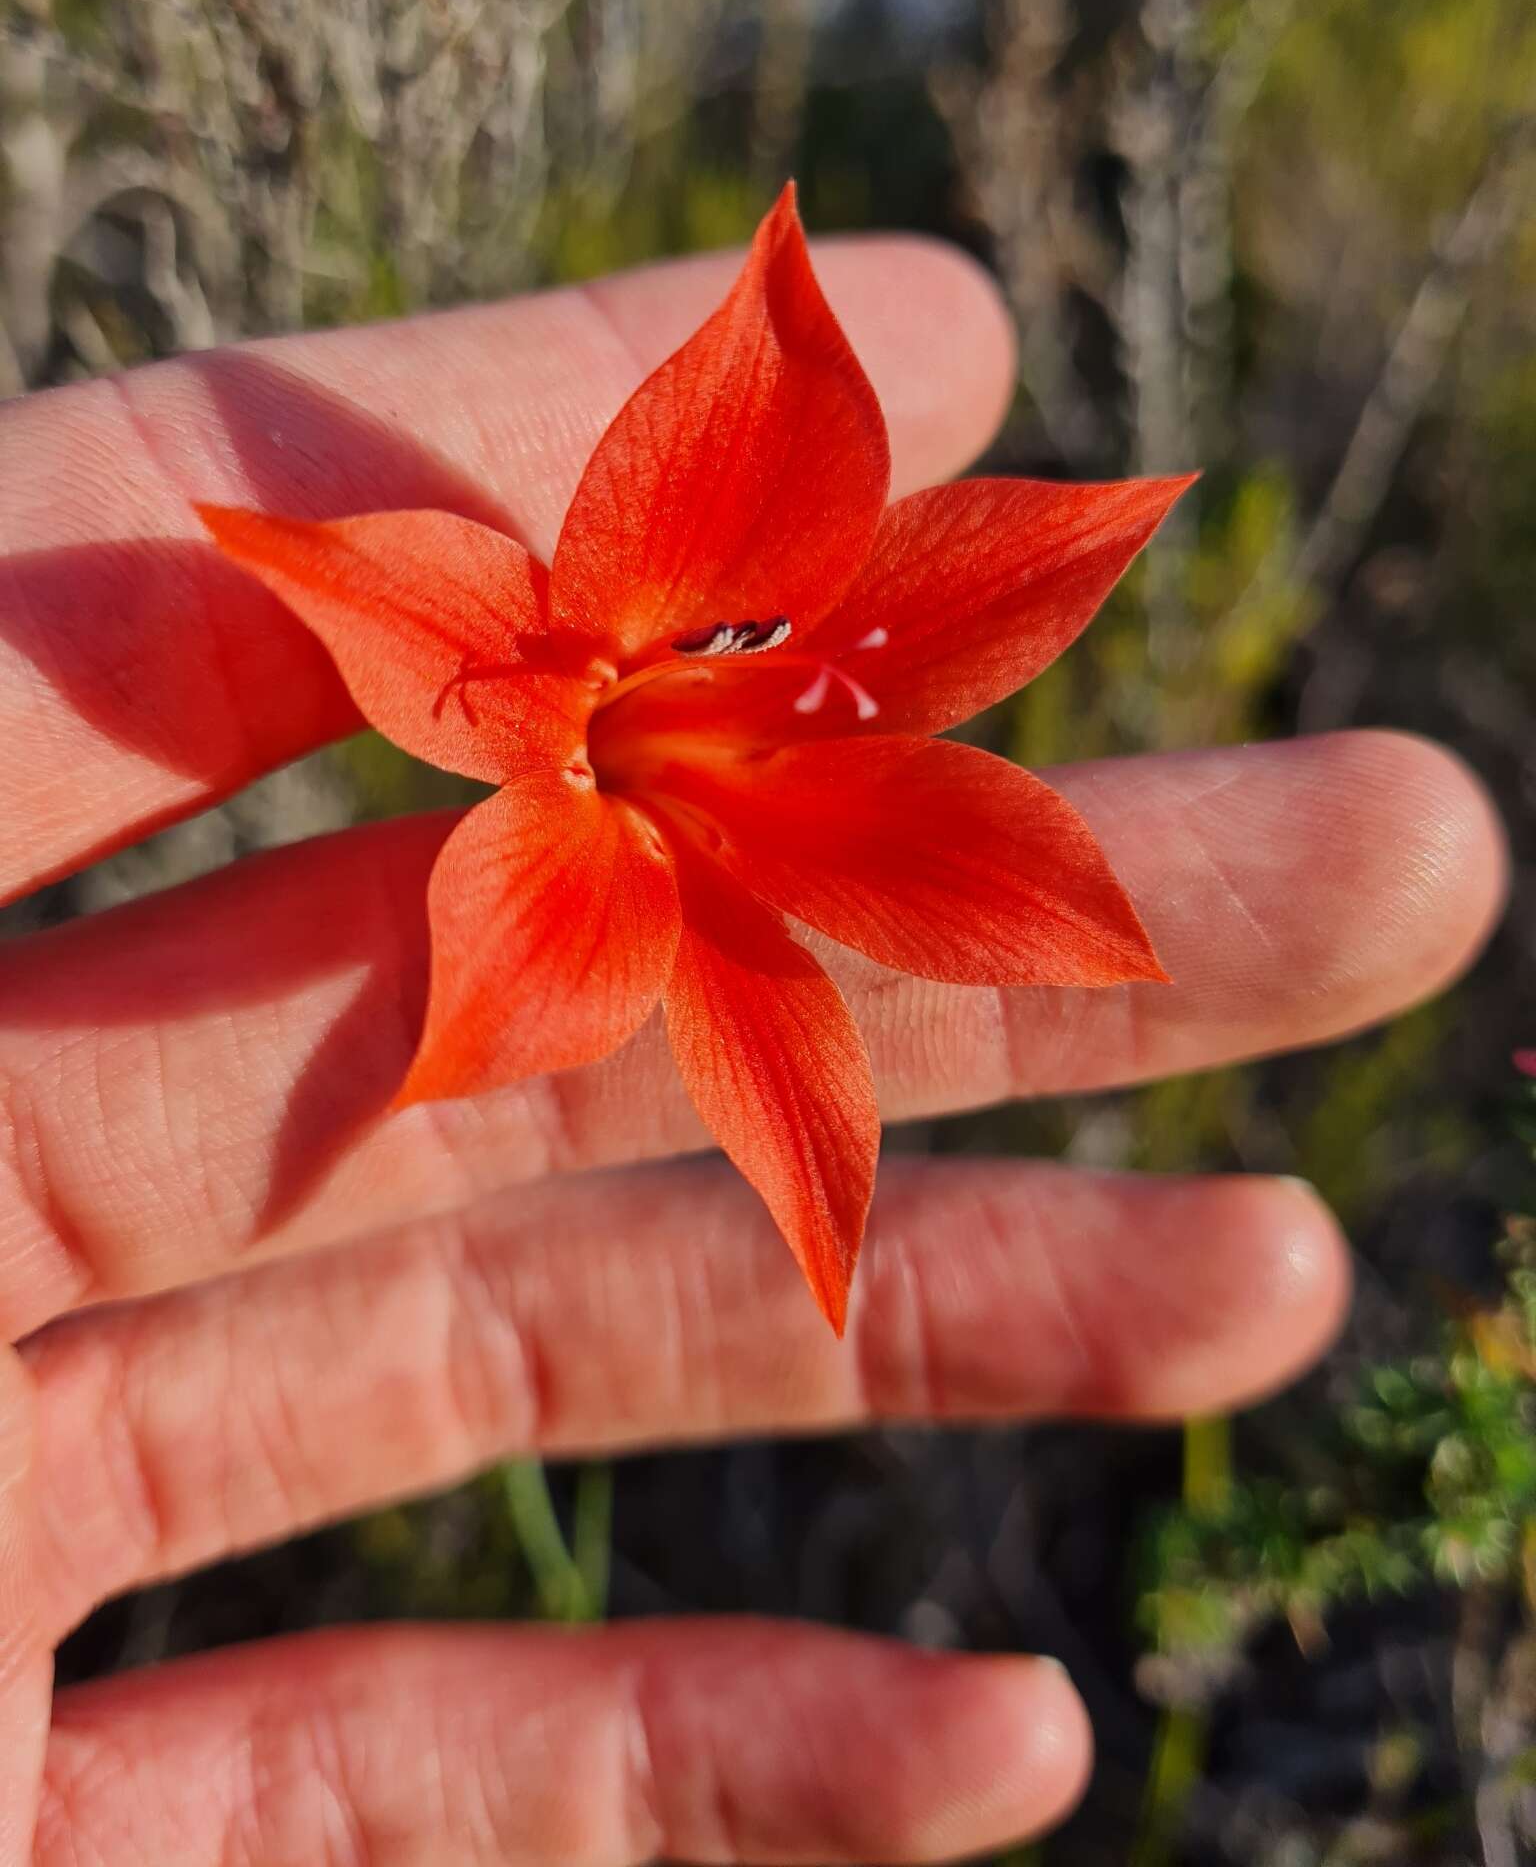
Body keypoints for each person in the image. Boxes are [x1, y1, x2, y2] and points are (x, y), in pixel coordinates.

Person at [0, 232, 1506, 1864]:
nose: (753, 690)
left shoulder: (760, 927)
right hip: (550, 743)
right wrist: (313, 569)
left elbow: (900, 969)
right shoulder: (525, 684)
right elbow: (384, 607)